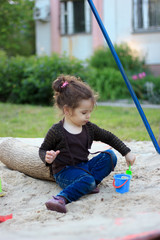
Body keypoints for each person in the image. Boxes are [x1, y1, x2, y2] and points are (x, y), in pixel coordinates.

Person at [39, 75, 136, 213]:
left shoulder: (89, 128)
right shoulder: (57, 131)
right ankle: (60, 198)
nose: (88, 116)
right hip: (65, 172)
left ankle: (86, 184)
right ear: (67, 110)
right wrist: (47, 157)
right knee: (88, 180)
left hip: (84, 167)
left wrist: (127, 152)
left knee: (109, 156)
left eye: (90, 112)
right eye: (84, 112)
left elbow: (108, 137)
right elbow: (43, 149)